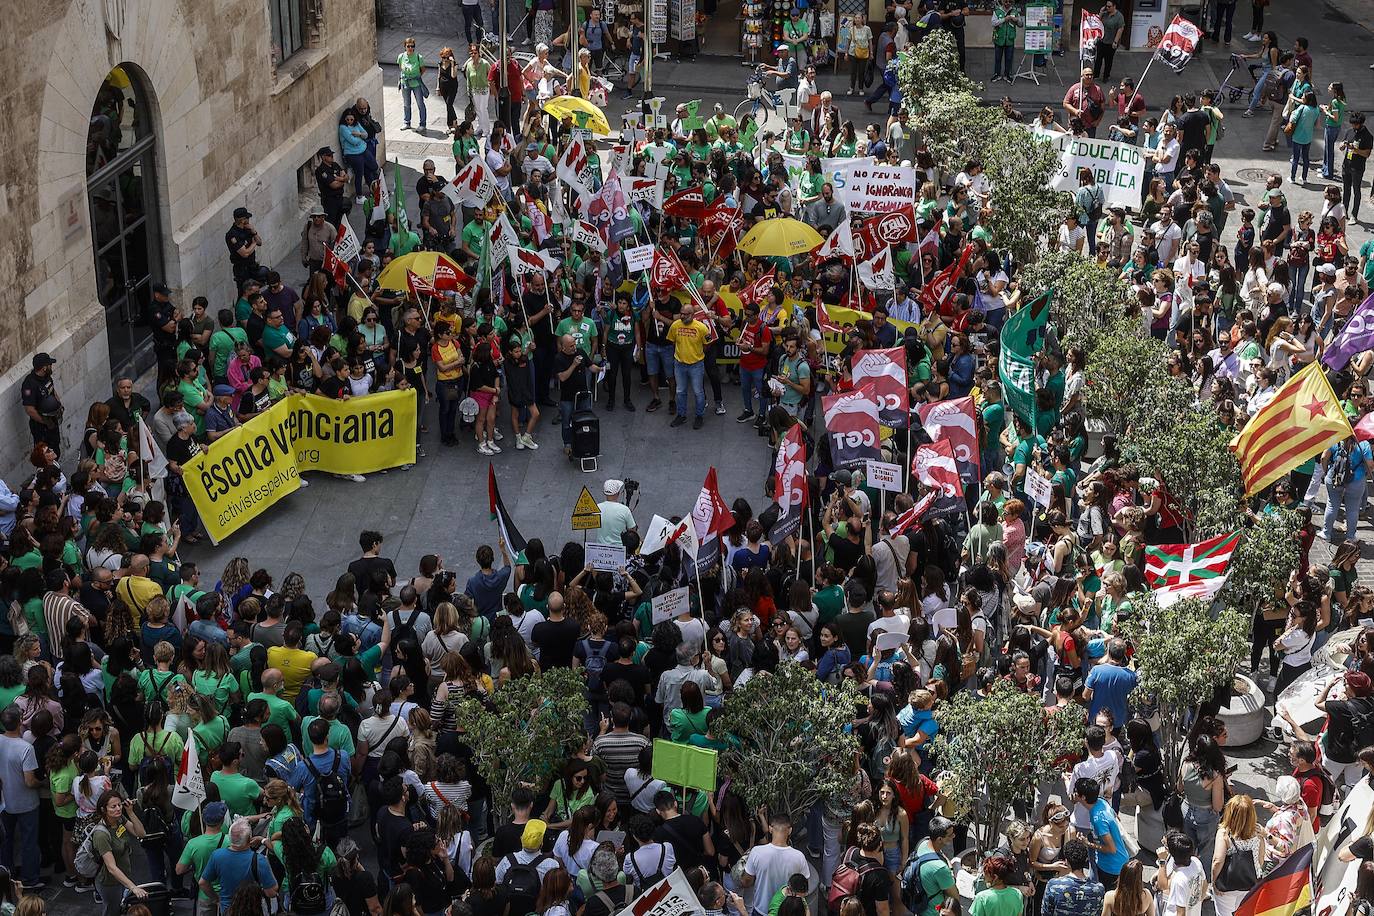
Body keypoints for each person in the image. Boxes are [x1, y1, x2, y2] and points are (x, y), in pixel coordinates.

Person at [1154, 831, 1208, 916]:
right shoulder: (1196, 862)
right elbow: (1205, 885)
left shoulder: (1179, 879)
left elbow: (1181, 912)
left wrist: (1162, 861)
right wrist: (1195, 904)